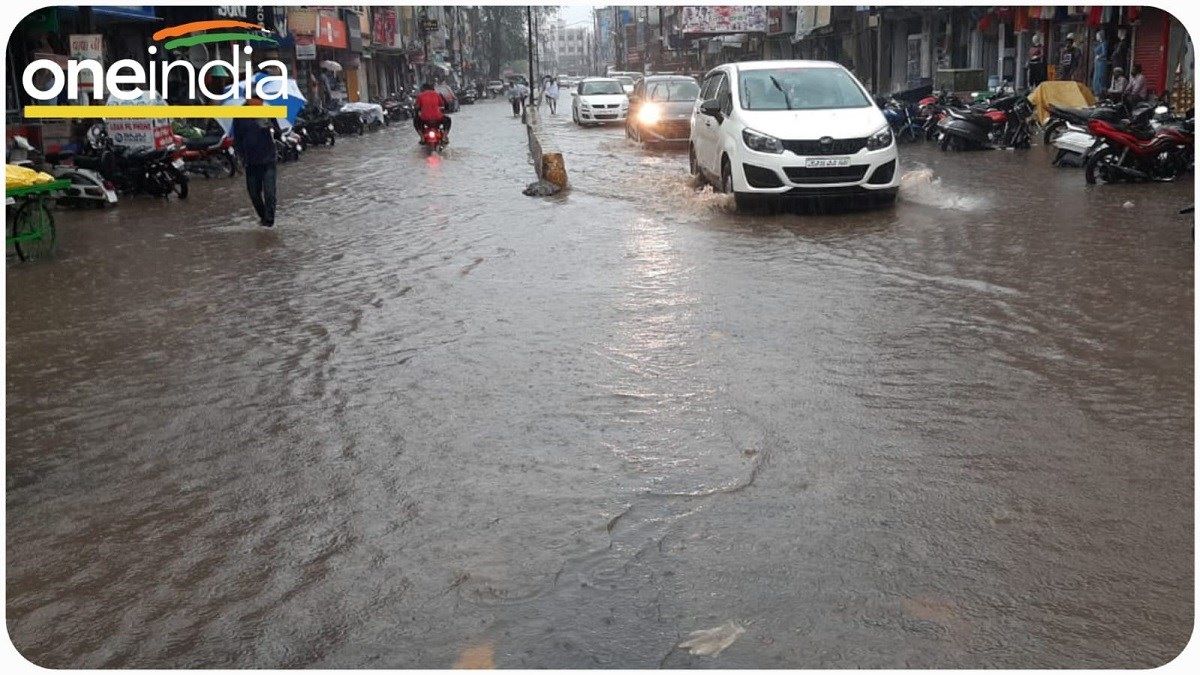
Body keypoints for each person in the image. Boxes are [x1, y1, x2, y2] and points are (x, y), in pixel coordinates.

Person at [231, 97, 280, 227]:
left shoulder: (267, 112)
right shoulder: (239, 115)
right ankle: (264, 217)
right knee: (254, 194)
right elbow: (237, 139)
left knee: (270, 193)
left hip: (268, 160)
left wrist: (270, 126)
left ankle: (269, 223)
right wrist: (240, 157)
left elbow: (278, 133)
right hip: (251, 162)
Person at [1092, 33, 1109, 98]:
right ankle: (1096, 91)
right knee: (1096, 77)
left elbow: (1104, 53)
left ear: (1101, 36)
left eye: (1097, 36)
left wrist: (1099, 56)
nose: (1096, 37)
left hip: (1101, 62)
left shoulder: (1104, 43)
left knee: (1100, 76)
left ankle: (1100, 92)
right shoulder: (1099, 43)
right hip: (1097, 62)